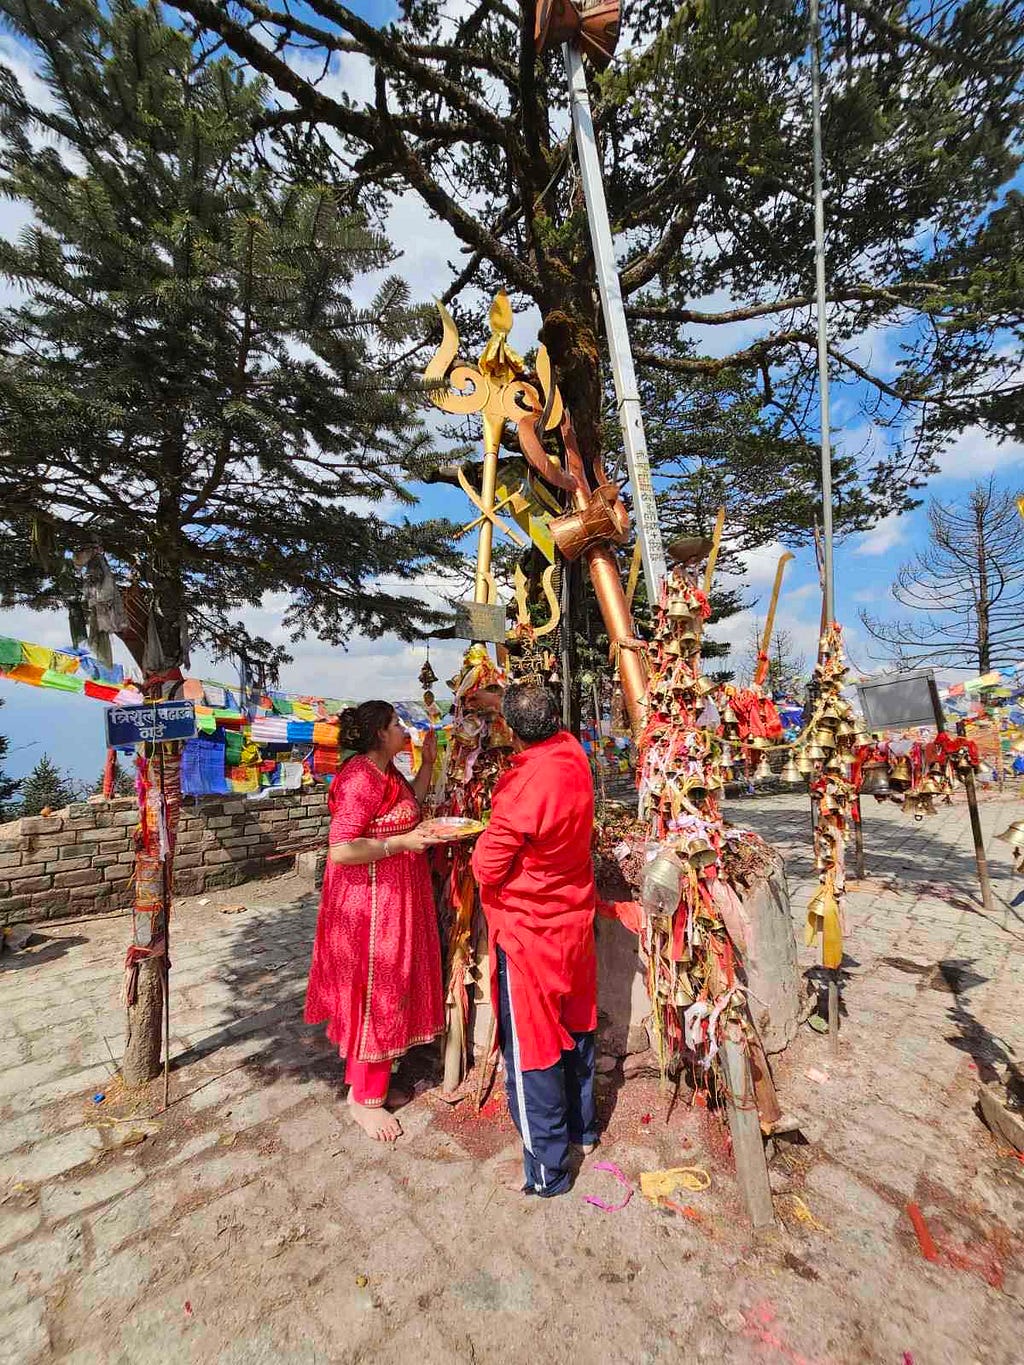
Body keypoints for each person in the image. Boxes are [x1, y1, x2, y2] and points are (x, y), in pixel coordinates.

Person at [470, 683, 598, 1197]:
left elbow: (487, 866)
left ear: (510, 730)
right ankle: (583, 1130)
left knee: (534, 1047)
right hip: (574, 920)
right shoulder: (573, 755)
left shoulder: (524, 787)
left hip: (530, 932)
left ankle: (547, 1171)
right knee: (578, 1025)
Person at [305, 700, 445, 1143]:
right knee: (377, 990)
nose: (404, 729)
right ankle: (364, 1100)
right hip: (370, 903)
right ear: (380, 733)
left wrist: (428, 763)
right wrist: (401, 844)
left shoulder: (387, 772)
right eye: (397, 723)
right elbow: (341, 849)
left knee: (393, 985)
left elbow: (411, 806)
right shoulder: (360, 778)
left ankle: (377, 1082)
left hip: (397, 894)